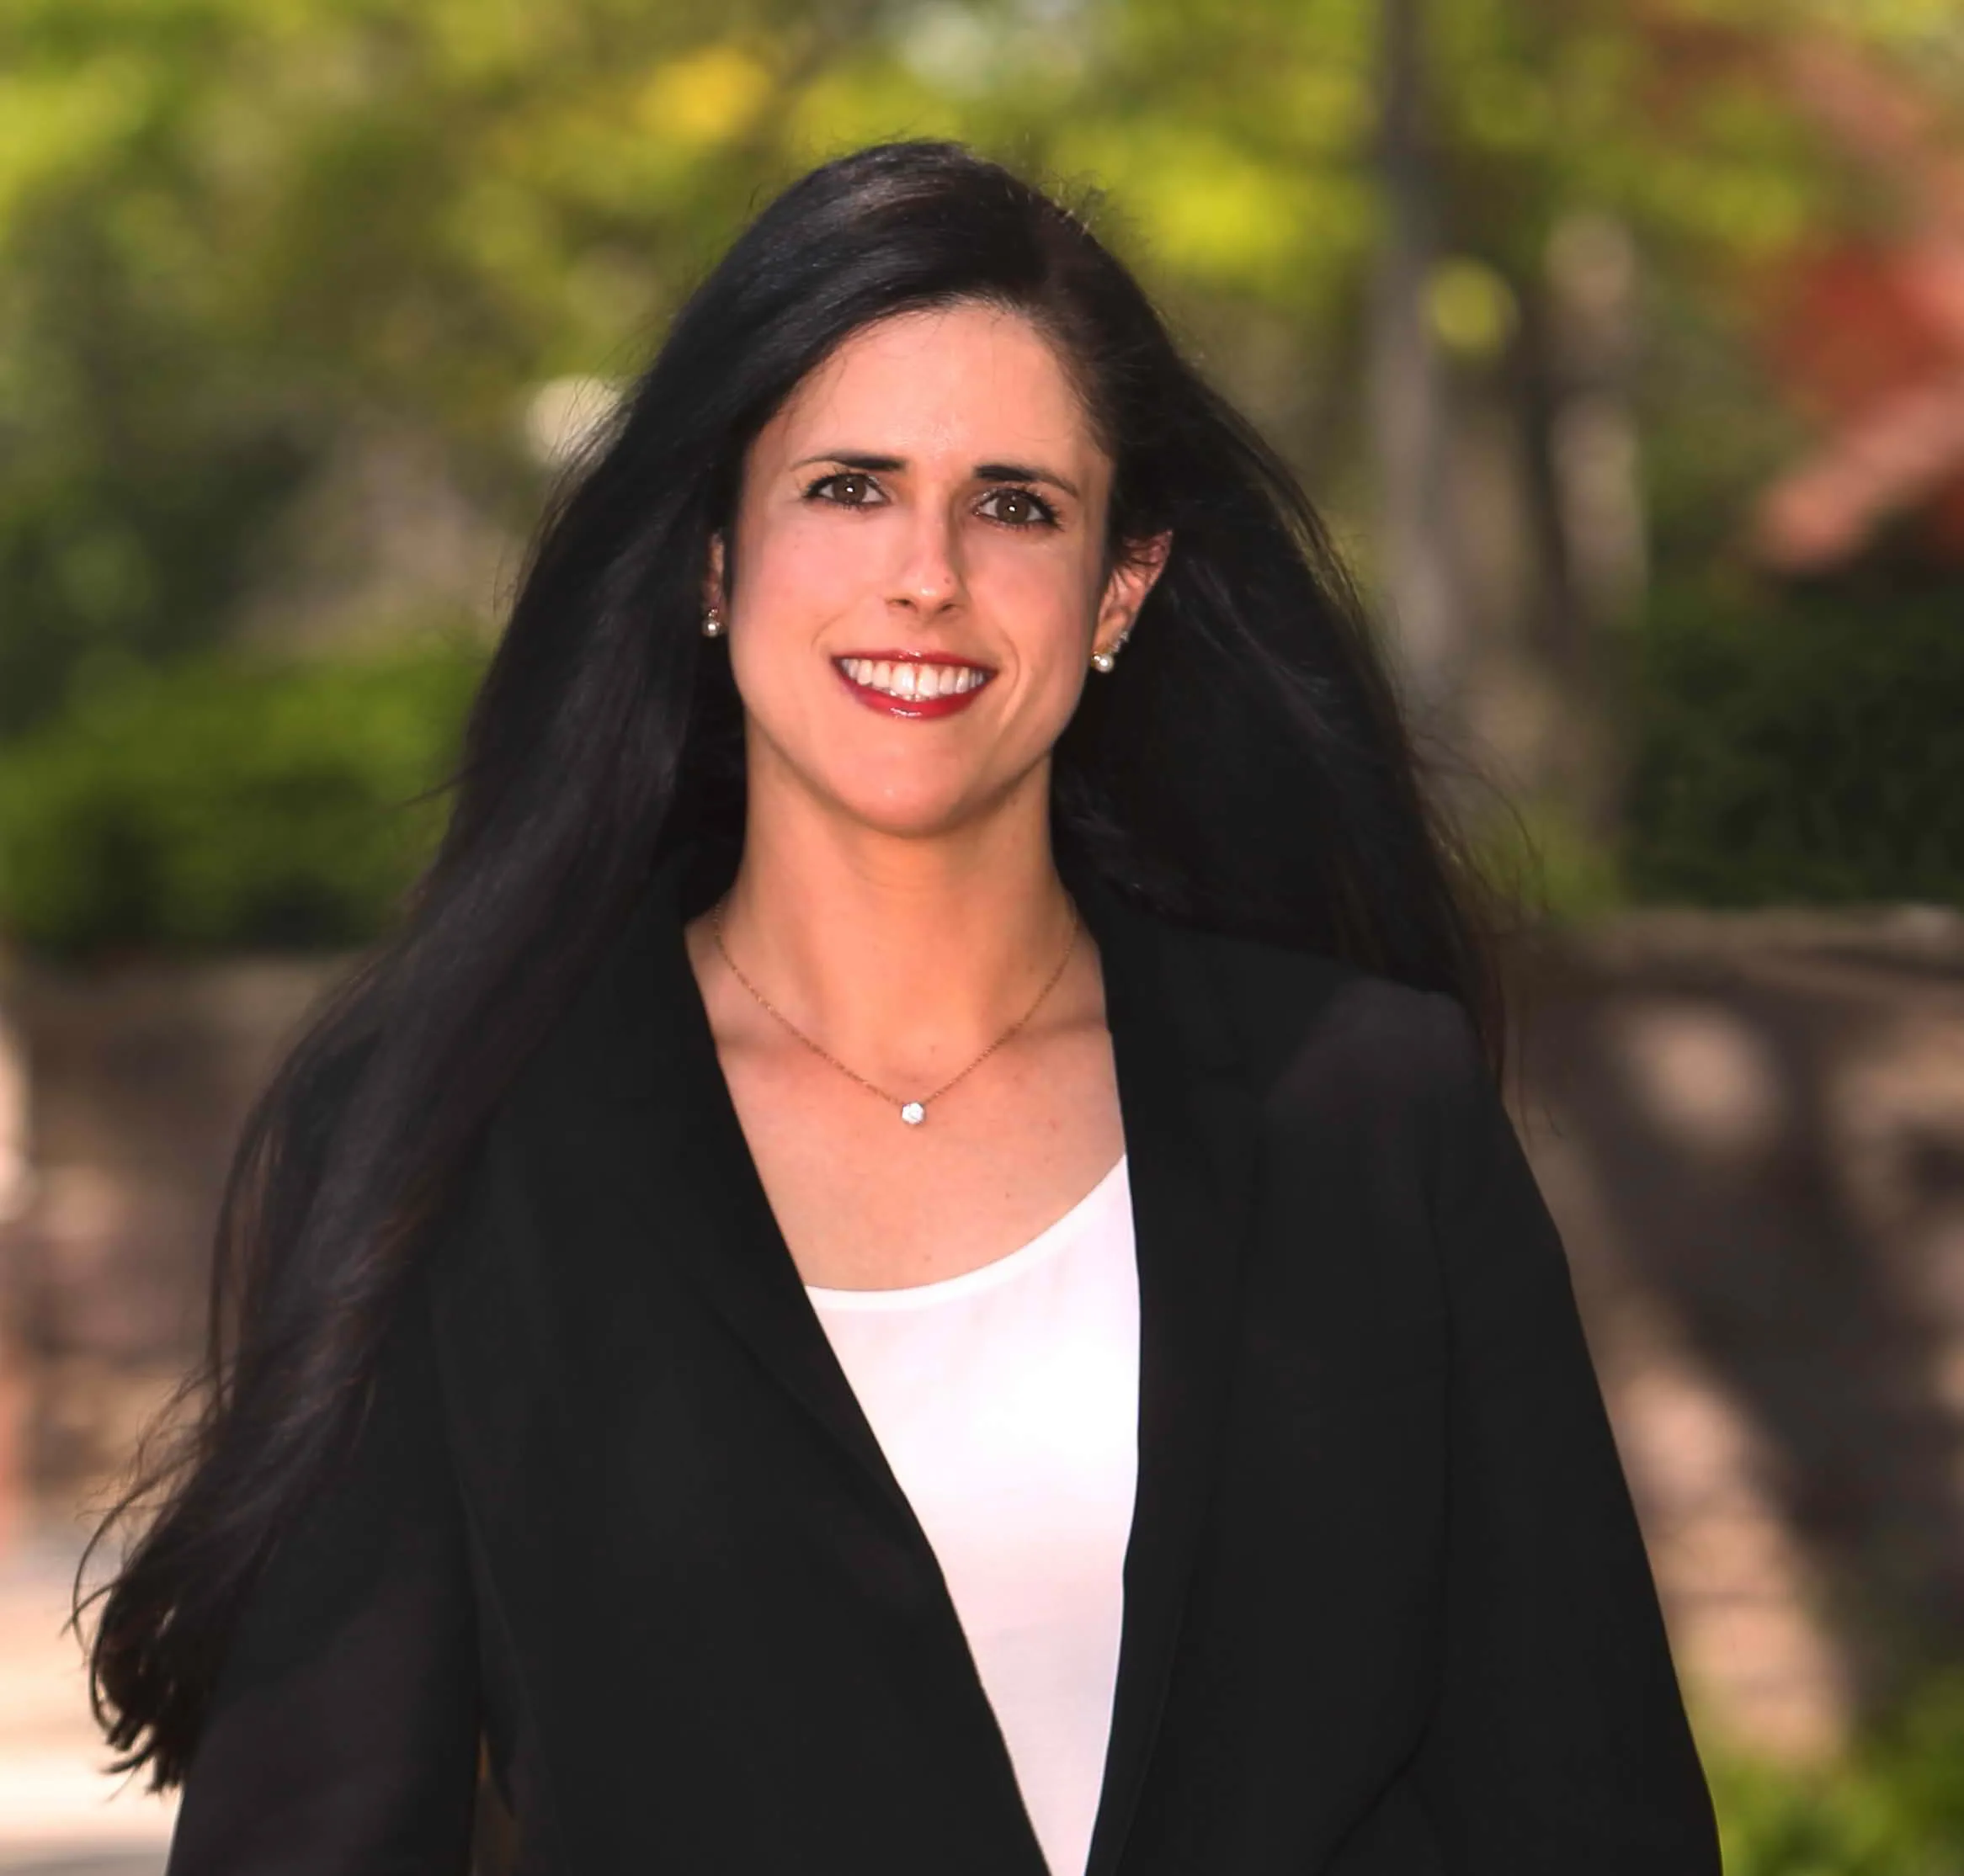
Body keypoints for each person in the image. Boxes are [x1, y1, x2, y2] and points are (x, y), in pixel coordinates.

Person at [84, 140, 1721, 1873]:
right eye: (849, 486)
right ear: (714, 555)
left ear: (1119, 587)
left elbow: (1585, 1811)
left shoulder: (1367, 1108)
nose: (926, 572)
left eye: (1014, 504)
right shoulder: (461, 1143)